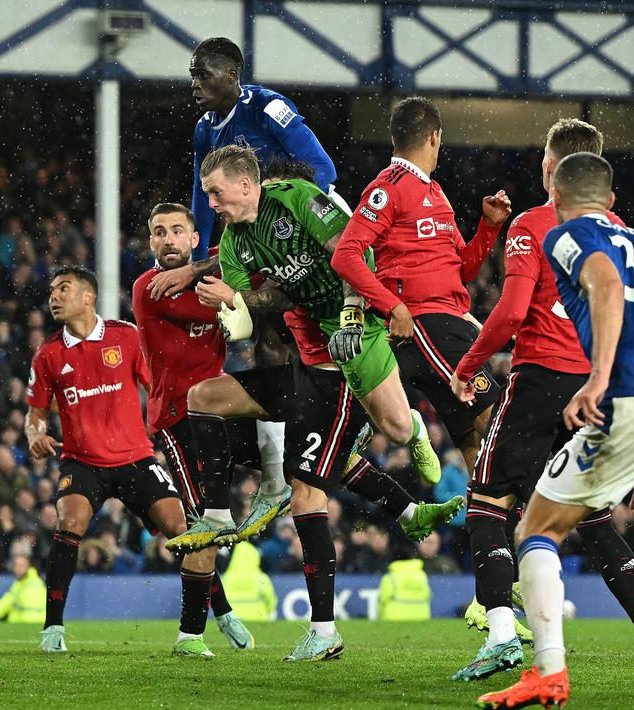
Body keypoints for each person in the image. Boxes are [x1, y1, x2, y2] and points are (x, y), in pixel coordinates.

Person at [149, 145, 451, 661]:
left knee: (392, 434)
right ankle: (228, 516)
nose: (212, 204)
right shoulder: (237, 241)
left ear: (246, 185)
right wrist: (234, 304)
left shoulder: (296, 200)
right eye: (207, 196)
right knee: (209, 402)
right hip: (315, 362)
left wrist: (353, 315)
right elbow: (269, 302)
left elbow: (352, 255)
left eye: (216, 193)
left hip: (355, 331)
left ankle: (411, 443)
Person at [450, 119, 634, 681]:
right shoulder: (621, 228)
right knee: (594, 519)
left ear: (552, 169)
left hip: (543, 382)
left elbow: (508, 312)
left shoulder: (535, 224)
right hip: (600, 390)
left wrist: (470, 362)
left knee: (486, 502)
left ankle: (503, 635)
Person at [332, 95, 512, 477]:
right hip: (427, 324)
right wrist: (392, 306)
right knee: (501, 425)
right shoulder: (388, 187)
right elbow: (345, 256)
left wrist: (489, 227)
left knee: (473, 443)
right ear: (434, 137)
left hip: (448, 318)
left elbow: (462, 269)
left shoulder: (435, 190)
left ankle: (490, 530)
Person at [24, 265, 192, 655]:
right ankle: (52, 628)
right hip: (81, 462)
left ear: (88, 296)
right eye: (51, 290)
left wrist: (180, 423)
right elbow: (35, 412)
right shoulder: (48, 354)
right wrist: (35, 434)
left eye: (63, 289)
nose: (54, 296)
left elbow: (160, 386)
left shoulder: (127, 336)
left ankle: (222, 611)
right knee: (71, 521)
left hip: (136, 458)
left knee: (182, 529)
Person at [131, 202, 256, 655]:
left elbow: (244, 258)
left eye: (177, 231)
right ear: (150, 243)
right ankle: (190, 634)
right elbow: (231, 314)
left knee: (294, 460)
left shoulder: (212, 276)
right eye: (159, 232)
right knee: (205, 521)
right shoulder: (150, 287)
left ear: (193, 239)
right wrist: (238, 291)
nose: (168, 239)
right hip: (178, 420)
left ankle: (218, 610)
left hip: (222, 414)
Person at [188, 37, 339, 259]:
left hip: (315, 212)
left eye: (203, 74)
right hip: (261, 228)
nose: (195, 84)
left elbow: (324, 169)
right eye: (193, 76)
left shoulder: (267, 107)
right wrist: (198, 258)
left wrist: (274, 209)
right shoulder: (204, 129)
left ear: (231, 75)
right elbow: (202, 194)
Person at [0, 553, 46, 624]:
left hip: (29, 625)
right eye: (16, 565)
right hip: (29, 624)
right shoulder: (20, 583)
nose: (18, 568)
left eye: (21, 565)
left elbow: (30, 615)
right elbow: (7, 601)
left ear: (28, 567)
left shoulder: (34, 584)